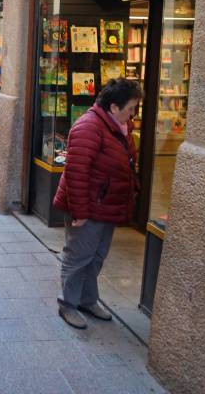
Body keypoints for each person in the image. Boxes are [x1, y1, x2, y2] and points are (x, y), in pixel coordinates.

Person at [53, 78, 141, 329]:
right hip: (88, 207)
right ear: (114, 107)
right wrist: (79, 211)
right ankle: (67, 304)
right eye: (131, 108)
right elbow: (76, 172)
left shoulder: (120, 128)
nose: (133, 113)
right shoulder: (88, 127)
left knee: (96, 257)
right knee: (78, 256)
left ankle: (87, 299)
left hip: (106, 205)